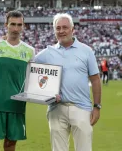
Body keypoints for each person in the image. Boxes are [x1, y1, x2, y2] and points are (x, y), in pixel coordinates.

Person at [34, 13, 102, 151]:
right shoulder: (47, 53)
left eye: (65, 27)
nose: (61, 31)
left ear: (72, 29)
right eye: (58, 28)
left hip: (82, 108)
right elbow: (30, 70)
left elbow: (95, 80)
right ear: (54, 31)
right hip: (56, 109)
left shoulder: (86, 51)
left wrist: (97, 106)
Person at [0, 10, 35, 151]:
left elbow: (32, 79)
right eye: (13, 24)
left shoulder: (29, 51)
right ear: (6, 25)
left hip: (16, 105)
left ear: (23, 26)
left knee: (10, 146)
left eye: (19, 25)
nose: (16, 29)